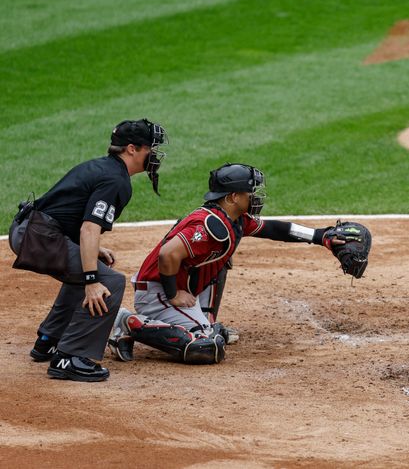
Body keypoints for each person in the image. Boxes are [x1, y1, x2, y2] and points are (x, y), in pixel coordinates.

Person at [107, 162, 348, 365]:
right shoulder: (208, 226)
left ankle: (204, 320)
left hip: (180, 287)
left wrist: (320, 236)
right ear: (233, 197)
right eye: (249, 192)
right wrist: (172, 294)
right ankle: (129, 322)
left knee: (222, 258)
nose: (254, 197)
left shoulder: (234, 220)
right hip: (157, 292)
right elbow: (167, 254)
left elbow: (274, 229)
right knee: (206, 347)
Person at [8, 119, 168, 382]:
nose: (155, 154)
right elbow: (89, 229)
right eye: (150, 148)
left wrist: (93, 252)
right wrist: (92, 281)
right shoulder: (116, 180)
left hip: (31, 229)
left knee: (89, 264)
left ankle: (49, 340)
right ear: (131, 149)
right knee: (108, 280)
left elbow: (69, 213)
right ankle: (70, 357)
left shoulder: (102, 167)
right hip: (38, 237)